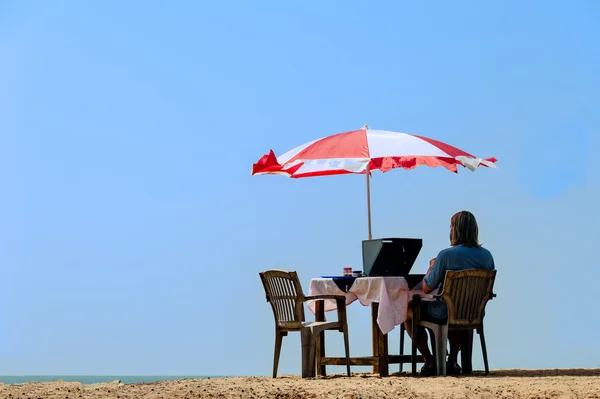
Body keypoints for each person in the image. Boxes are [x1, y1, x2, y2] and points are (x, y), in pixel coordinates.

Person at [404, 210, 495, 376]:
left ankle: (429, 360)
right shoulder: (487, 256)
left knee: (408, 313)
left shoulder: (446, 255)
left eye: (451, 226)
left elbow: (426, 287)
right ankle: (452, 360)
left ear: (456, 229)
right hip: (473, 311)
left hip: (446, 312)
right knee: (452, 306)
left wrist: (431, 267)